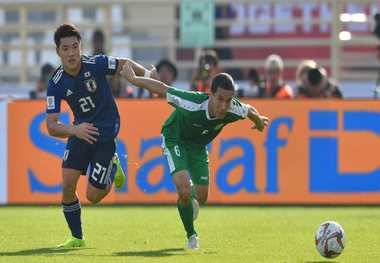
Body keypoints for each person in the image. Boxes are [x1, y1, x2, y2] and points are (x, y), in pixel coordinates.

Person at [120, 62, 269, 250]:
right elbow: (163, 88)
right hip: (175, 138)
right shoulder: (193, 102)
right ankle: (192, 235)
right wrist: (133, 79)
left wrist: (259, 121)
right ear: (210, 94)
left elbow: (249, 110)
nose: (224, 105)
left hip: (198, 146)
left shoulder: (233, 108)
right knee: (183, 189)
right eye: (220, 99)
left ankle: (189, 199)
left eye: (228, 100)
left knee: (201, 196)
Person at [46, 23, 155, 248]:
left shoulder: (96, 63)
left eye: (74, 47)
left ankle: (113, 167)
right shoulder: (56, 82)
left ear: (80, 47)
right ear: (58, 52)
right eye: (65, 48)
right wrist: (74, 130)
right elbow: (51, 125)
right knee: (67, 184)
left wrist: (145, 74)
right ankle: (77, 238)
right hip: (81, 130)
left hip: (106, 130)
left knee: (93, 196)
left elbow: (124, 64)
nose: (71, 53)